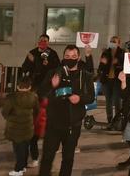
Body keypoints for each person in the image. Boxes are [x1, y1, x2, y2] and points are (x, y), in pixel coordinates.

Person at [37, 45, 95, 176]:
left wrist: (80, 98)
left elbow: (91, 97)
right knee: (47, 156)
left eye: (74, 57)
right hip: (53, 123)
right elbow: (41, 92)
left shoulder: (85, 75)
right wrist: (52, 85)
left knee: (68, 158)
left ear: (79, 57)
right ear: (63, 57)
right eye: (67, 56)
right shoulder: (54, 73)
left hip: (73, 124)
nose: (70, 59)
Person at [2, 76, 40, 176]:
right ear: (30, 87)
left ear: (18, 87)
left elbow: (5, 112)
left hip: (14, 128)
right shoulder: (34, 97)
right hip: (28, 127)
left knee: (18, 149)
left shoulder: (12, 98)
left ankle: (18, 169)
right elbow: (37, 111)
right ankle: (23, 166)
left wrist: (10, 118)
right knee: (25, 147)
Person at [98, 35, 125, 129]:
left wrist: (117, 63)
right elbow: (100, 68)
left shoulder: (122, 53)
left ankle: (118, 122)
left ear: (119, 43)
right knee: (108, 102)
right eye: (111, 41)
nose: (112, 42)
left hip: (117, 80)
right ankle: (110, 122)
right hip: (106, 80)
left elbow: (124, 67)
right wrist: (103, 63)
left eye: (114, 41)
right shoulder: (106, 52)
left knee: (117, 102)